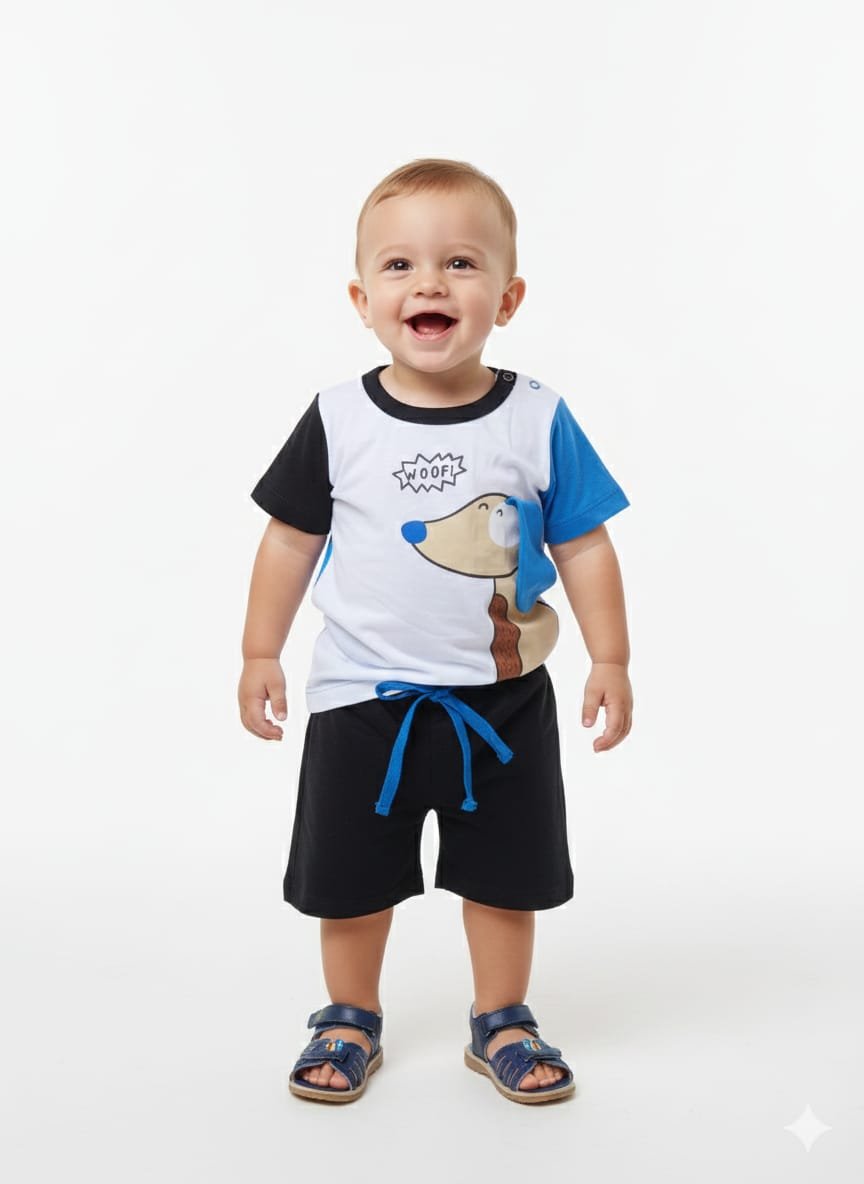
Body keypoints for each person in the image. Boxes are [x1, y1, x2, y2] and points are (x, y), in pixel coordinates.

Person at [238, 157, 633, 1105]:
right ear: (362, 298)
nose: (430, 283)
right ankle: (348, 1017)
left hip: (503, 704)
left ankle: (502, 1018)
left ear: (508, 296)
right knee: (349, 880)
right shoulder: (338, 418)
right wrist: (260, 650)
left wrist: (611, 657)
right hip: (362, 699)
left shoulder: (537, 417)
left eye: (460, 262)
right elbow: (290, 540)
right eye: (400, 265)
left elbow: (584, 543)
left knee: (505, 877)